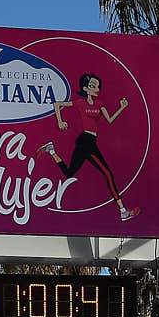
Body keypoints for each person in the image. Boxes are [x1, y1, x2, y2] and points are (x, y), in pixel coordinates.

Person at [40, 73, 138, 222]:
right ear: (85, 88)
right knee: (108, 174)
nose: (96, 88)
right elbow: (57, 104)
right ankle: (123, 211)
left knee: (69, 173)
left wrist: (122, 107)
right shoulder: (80, 102)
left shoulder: (100, 104)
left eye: (98, 86)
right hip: (86, 141)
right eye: (93, 86)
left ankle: (51, 150)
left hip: (90, 141)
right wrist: (60, 121)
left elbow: (110, 120)